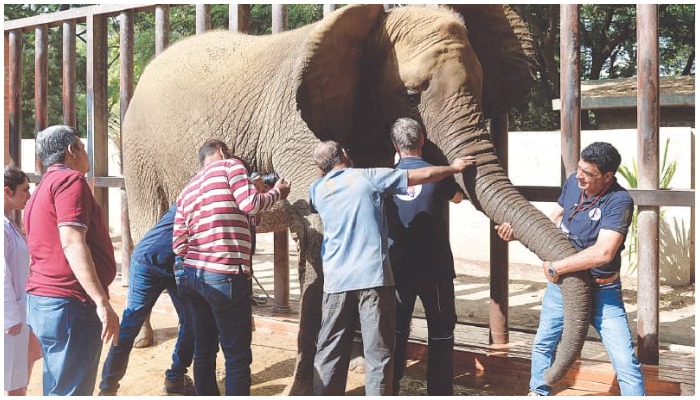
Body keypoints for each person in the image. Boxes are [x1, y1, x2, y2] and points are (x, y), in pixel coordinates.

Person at [309, 140, 475, 396]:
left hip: (335, 282)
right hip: (373, 279)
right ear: (344, 153)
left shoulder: (317, 189)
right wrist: (453, 169)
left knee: (329, 350)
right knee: (378, 353)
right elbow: (423, 175)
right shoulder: (367, 178)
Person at [496, 142, 645, 396]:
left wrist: (556, 267)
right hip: (562, 286)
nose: (579, 176)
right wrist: (520, 234)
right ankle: (538, 392)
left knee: (624, 360)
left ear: (608, 176)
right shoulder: (573, 183)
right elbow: (553, 220)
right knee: (544, 343)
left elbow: (603, 252)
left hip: (602, 291)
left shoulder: (619, 201)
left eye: (588, 173)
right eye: (579, 168)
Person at [173, 139, 291, 396]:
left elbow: (178, 243)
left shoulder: (187, 189)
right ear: (222, 152)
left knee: (204, 349)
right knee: (236, 355)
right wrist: (276, 193)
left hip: (193, 277)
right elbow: (250, 205)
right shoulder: (231, 167)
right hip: (225, 276)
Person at [24, 125, 120, 396]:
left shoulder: (42, 187)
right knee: (71, 391)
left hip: (44, 301)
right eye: (83, 146)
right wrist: (102, 302)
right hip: (69, 303)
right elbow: (71, 241)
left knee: (58, 385)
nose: (86, 152)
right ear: (71, 150)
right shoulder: (70, 181)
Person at [385, 118, 464, 395]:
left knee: (395, 333)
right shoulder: (439, 175)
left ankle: (390, 388)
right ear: (422, 141)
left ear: (395, 145)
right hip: (436, 269)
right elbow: (458, 198)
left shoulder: (386, 178)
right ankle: (439, 392)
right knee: (441, 333)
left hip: (397, 269)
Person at [98, 204, 195, 396]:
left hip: (174, 266)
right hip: (146, 264)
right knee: (129, 325)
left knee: (191, 321)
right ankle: (107, 389)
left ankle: (175, 378)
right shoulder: (197, 200)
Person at [4, 166, 41, 396]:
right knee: (12, 380)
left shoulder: (9, 223)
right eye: (25, 190)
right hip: (11, 318)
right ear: (7, 191)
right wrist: (10, 315)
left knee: (24, 364)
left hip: (19, 310)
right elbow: (2, 273)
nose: (29, 195)